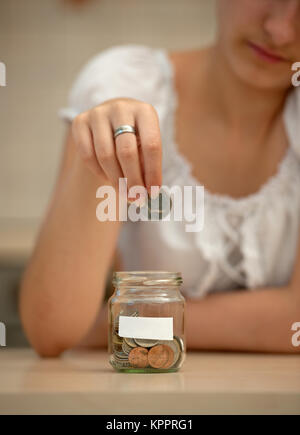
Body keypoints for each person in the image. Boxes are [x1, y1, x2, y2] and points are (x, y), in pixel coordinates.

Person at [20, 0, 300, 357]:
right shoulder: (124, 81)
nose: (281, 30)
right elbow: (52, 329)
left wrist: (119, 323)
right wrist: (102, 156)